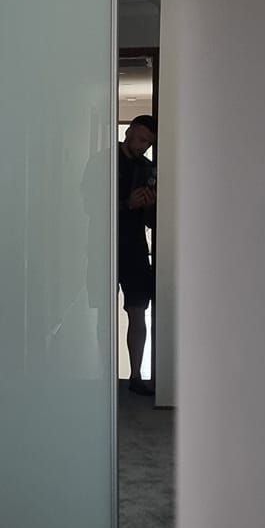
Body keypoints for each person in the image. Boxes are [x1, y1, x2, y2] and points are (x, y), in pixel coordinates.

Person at [118, 113, 157, 395]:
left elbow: (152, 223)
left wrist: (150, 206)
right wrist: (126, 204)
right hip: (102, 246)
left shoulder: (148, 168)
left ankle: (135, 376)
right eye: (141, 139)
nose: (143, 146)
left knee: (138, 312)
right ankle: (104, 378)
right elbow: (85, 205)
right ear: (129, 131)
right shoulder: (104, 160)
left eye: (148, 143)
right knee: (101, 316)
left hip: (136, 249)